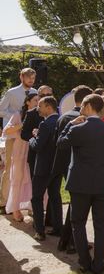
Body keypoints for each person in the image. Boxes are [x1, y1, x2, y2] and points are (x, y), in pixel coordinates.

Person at [57, 94, 104, 274]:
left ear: (89, 106)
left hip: (80, 183)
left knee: (78, 222)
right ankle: (98, 263)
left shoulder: (78, 129)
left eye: (83, 105)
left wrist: (70, 124)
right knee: (100, 225)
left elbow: (60, 144)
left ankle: (85, 261)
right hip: (102, 183)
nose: (81, 108)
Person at [51, 85, 93, 253]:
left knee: (74, 207)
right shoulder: (83, 120)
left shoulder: (64, 117)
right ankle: (72, 243)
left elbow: (57, 141)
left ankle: (65, 241)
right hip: (77, 167)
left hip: (63, 165)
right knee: (78, 209)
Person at [0, 67, 36, 213]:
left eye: (33, 78)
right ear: (21, 77)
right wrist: (16, 116)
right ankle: (3, 202)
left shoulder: (36, 92)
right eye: (29, 78)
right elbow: (1, 109)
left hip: (28, 137)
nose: (31, 80)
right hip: (13, 135)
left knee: (25, 171)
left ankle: (23, 202)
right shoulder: (12, 92)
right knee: (9, 169)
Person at [29, 96, 60, 241]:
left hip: (43, 168)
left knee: (36, 198)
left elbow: (38, 146)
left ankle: (40, 231)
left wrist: (33, 137)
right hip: (57, 166)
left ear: (48, 107)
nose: (37, 109)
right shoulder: (61, 121)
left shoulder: (45, 124)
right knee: (55, 197)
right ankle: (58, 227)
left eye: (40, 106)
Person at [3, 92, 38, 221]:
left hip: (33, 150)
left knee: (31, 179)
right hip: (20, 150)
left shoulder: (39, 115)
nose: (37, 102)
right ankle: (15, 209)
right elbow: (6, 131)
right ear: (28, 102)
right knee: (17, 179)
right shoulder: (19, 115)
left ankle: (31, 207)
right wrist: (23, 124)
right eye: (35, 100)